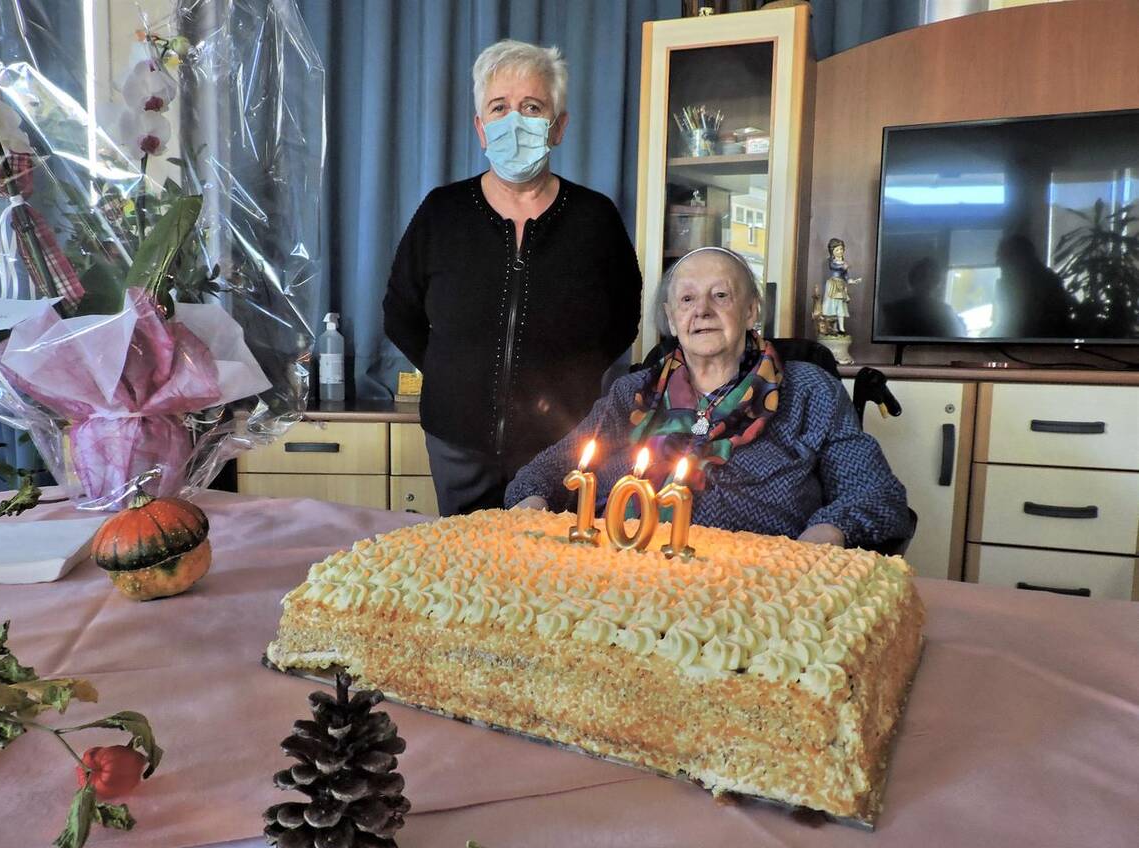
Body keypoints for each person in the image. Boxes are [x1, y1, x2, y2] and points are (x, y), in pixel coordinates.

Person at [506, 247, 913, 549]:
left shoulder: (810, 391)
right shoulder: (632, 394)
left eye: (720, 295)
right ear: (671, 319)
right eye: (687, 299)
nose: (701, 310)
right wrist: (531, 503)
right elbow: (545, 471)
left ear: (751, 311)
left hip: (753, 590)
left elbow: (876, 494)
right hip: (618, 575)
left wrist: (825, 535)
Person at [383, 39, 642, 515]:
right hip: (456, 442)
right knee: (464, 558)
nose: (514, 121)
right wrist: (452, 372)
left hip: (561, 444)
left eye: (532, 107)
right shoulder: (442, 212)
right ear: (481, 129)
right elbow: (400, 313)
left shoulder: (595, 218)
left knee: (550, 558)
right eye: (499, 107)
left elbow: (624, 319)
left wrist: (570, 382)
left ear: (558, 127)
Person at [990, 234, 1072, 339]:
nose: (998, 263)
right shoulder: (1005, 285)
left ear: (1020, 259)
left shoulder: (1046, 284)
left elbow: (1008, 324)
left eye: (1003, 257)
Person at [880, 257, 966, 338]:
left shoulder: (946, 312)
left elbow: (956, 340)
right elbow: (885, 340)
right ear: (912, 280)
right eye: (923, 276)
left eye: (933, 278)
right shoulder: (894, 310)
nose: (927, 282)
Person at [821, 238, 860, 335]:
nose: (840, 251)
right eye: (837, 250)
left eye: (841, 249)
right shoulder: (832, 262)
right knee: (833, 306)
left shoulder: (844, 263)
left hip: (841, 286)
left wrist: (852, 281)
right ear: (832, 252)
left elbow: (846, 276)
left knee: (840, 306)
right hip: (833, 285)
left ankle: (841, 328)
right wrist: (842, 266)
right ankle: (834, 328)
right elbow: (833, 267)